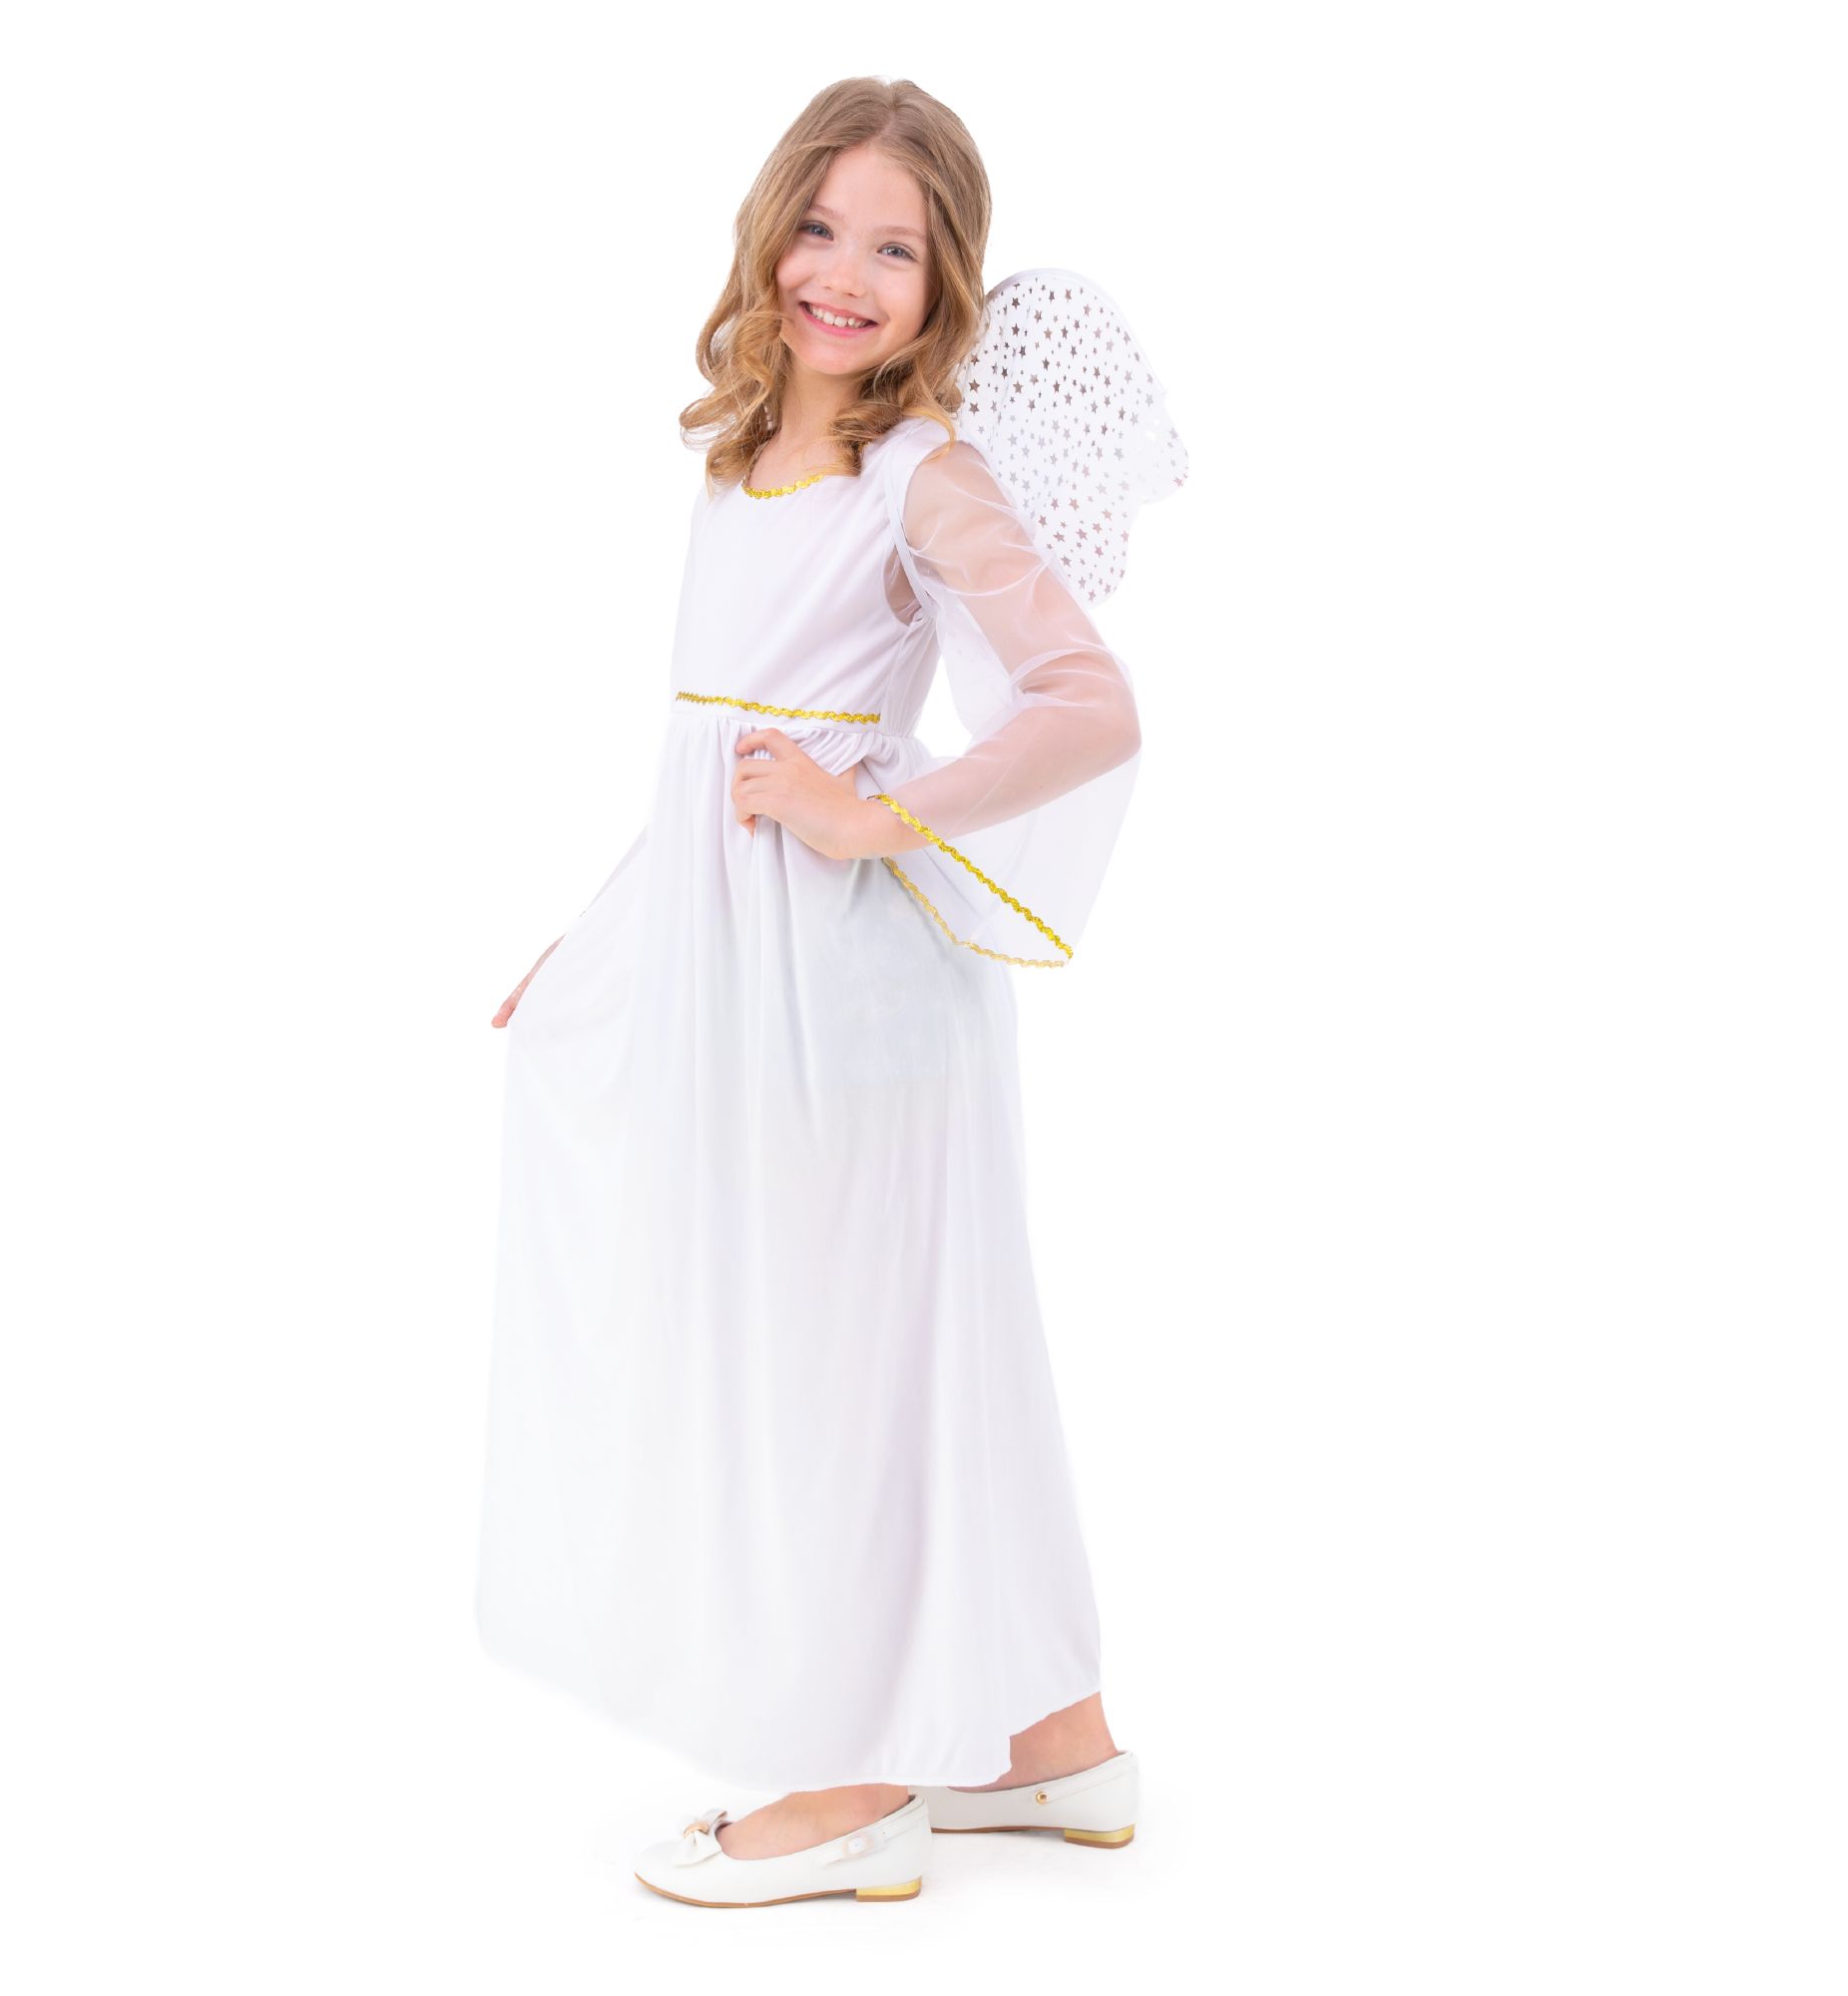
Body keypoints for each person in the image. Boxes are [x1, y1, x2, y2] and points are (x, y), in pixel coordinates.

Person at [476, 74, 1186, 1908]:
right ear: (767, 226)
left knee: (832, 1369)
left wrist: (874, 813)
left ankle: (856, 1784)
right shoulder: (741, 457)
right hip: (742, 979)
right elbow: (704, 762)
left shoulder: (919, 474)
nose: (845, 276)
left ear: (944, 284)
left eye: (896, 249)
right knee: (920, 1356)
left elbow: (1090, 703)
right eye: (820, 226)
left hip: (847, 1004)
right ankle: (1055, 1748)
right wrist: (603, 934)